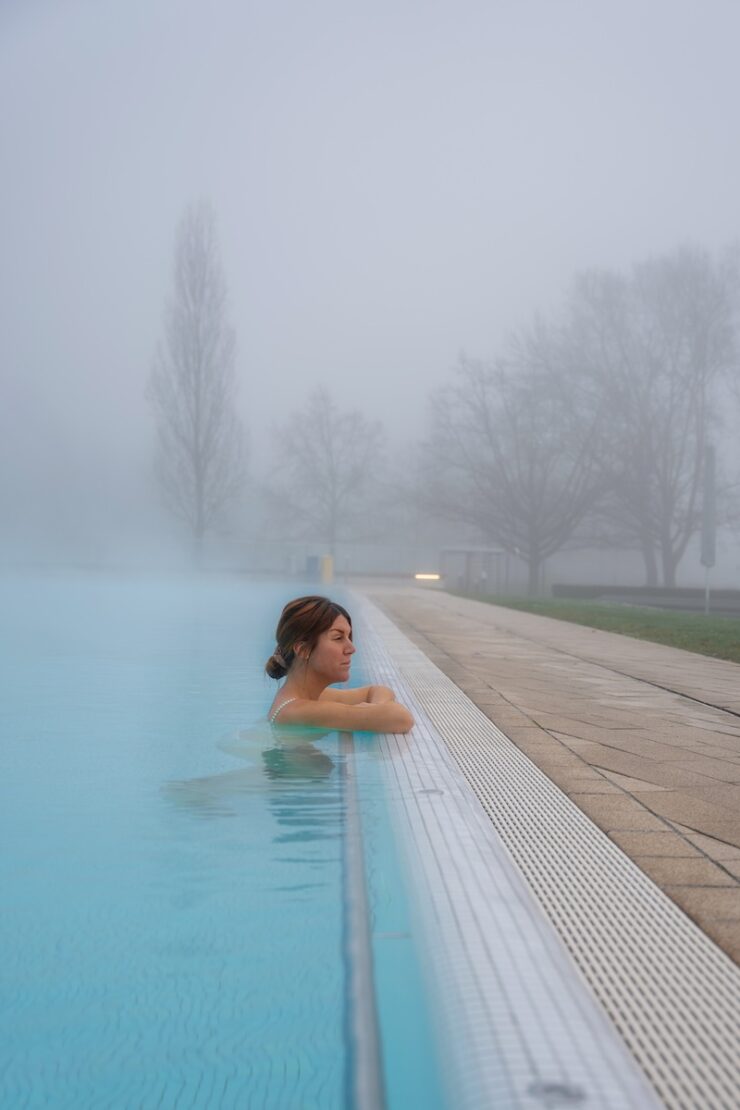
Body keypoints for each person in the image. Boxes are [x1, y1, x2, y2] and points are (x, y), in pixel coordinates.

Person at [266, 595, 414, 733]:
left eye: (349, 637)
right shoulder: (298, 710)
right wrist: (378, 711)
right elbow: (401, 718)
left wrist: (375, 707)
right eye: (338, 638)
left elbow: (377, 690)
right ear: (303, 650)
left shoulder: (311, 696)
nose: (351, 649)